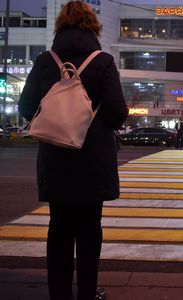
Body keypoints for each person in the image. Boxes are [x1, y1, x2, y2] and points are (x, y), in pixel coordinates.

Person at [18, 2, 128, 300]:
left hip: (55, 159)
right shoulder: (102, 61)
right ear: (93, 27)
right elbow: (118, 113)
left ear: (60, 27)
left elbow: (26, 107)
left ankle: (59, 293)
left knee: (59, 228)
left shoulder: (44, 61)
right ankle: (88, 293)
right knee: (90, 229)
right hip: (93, 162)